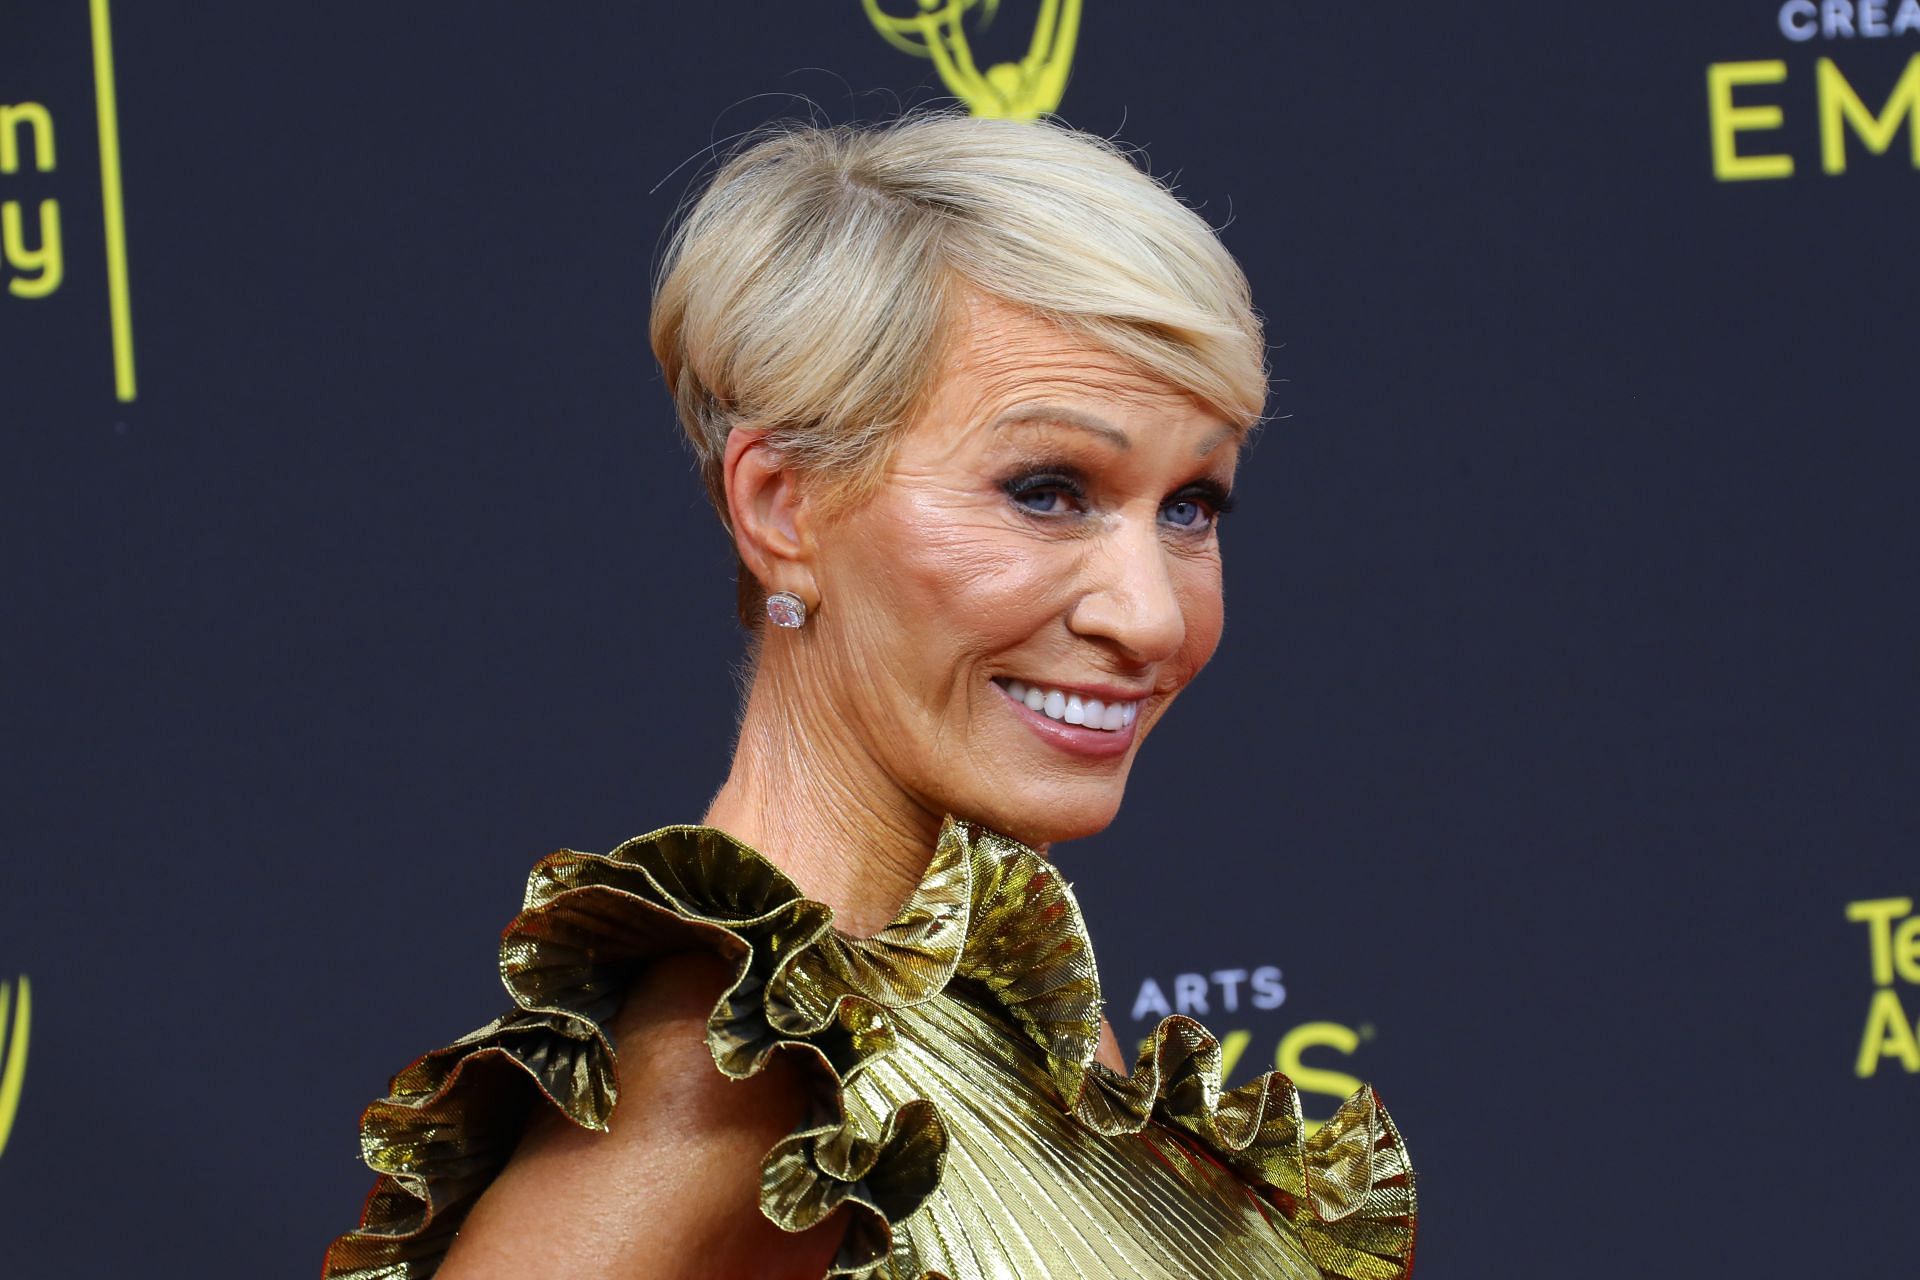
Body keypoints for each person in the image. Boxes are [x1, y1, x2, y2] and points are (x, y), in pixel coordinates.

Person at [323, 111, 1417, 1280]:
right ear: (782, 508)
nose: (1148, 614)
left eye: (1191, 505)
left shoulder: (988, 1000)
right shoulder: (727, 1073)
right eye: (1048, 489)